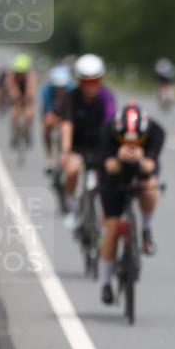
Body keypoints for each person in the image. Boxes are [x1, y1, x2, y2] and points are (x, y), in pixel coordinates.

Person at [95, 102, 165, 304]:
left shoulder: (156, 132)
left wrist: (141, 159)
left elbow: (150, 166)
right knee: (112, 228)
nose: (131, 143)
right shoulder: (107, 132)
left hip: (141, 173)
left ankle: (146, 229)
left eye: (137, 141)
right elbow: (108, 167)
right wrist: (118, 158)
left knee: (150, 187)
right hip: (112, 178)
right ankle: (105, 282)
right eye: (125, 139)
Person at [56, 54, 116, 229]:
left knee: (107, 178)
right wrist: (66, 152)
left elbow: (110, 126)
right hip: (78, 146)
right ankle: (72, 209)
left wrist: (108, 155)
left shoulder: (107, 97)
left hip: (100, 146)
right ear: (80, 81)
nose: (91, 86)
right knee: (72, 170)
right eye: (87, 81)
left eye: (95, 81)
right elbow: (67, 125)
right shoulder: (70, 97)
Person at [40, 65, 74, 168]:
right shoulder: (46, 92)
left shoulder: (71, 90)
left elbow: (72, 111)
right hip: (52, 112)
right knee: (47, 125)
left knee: (68, 127)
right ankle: (49, 156)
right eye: (57, 88)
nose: (60, 90)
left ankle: (67, 153)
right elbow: (48, 111)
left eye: (62, 88)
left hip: (66, 113)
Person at [5, 53, 38, 145]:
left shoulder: (31, 75)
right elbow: (10, 87)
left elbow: (32, 88)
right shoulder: (11, 75)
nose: (19, 74)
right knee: (14, 115)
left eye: (22, 72)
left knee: (29, 114)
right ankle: (14, 135)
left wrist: (29, 95)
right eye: (17, 72)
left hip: (27, 96)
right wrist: (14, 94)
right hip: (17, 97)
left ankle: (29, 132)